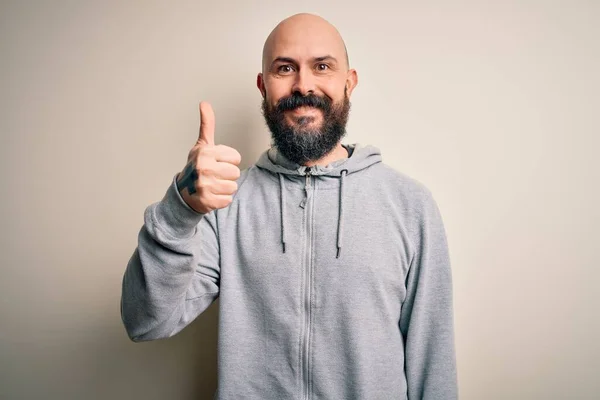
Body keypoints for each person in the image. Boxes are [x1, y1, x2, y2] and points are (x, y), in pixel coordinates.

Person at [121, 12, 458, 400]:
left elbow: (433, 366)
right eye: (285, 68)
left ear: (349, 83)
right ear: (263, 87)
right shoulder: (224, 206)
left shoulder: (410, 206)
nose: (304, 85)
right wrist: (179, 209)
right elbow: (144, 322)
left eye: (322, 66)